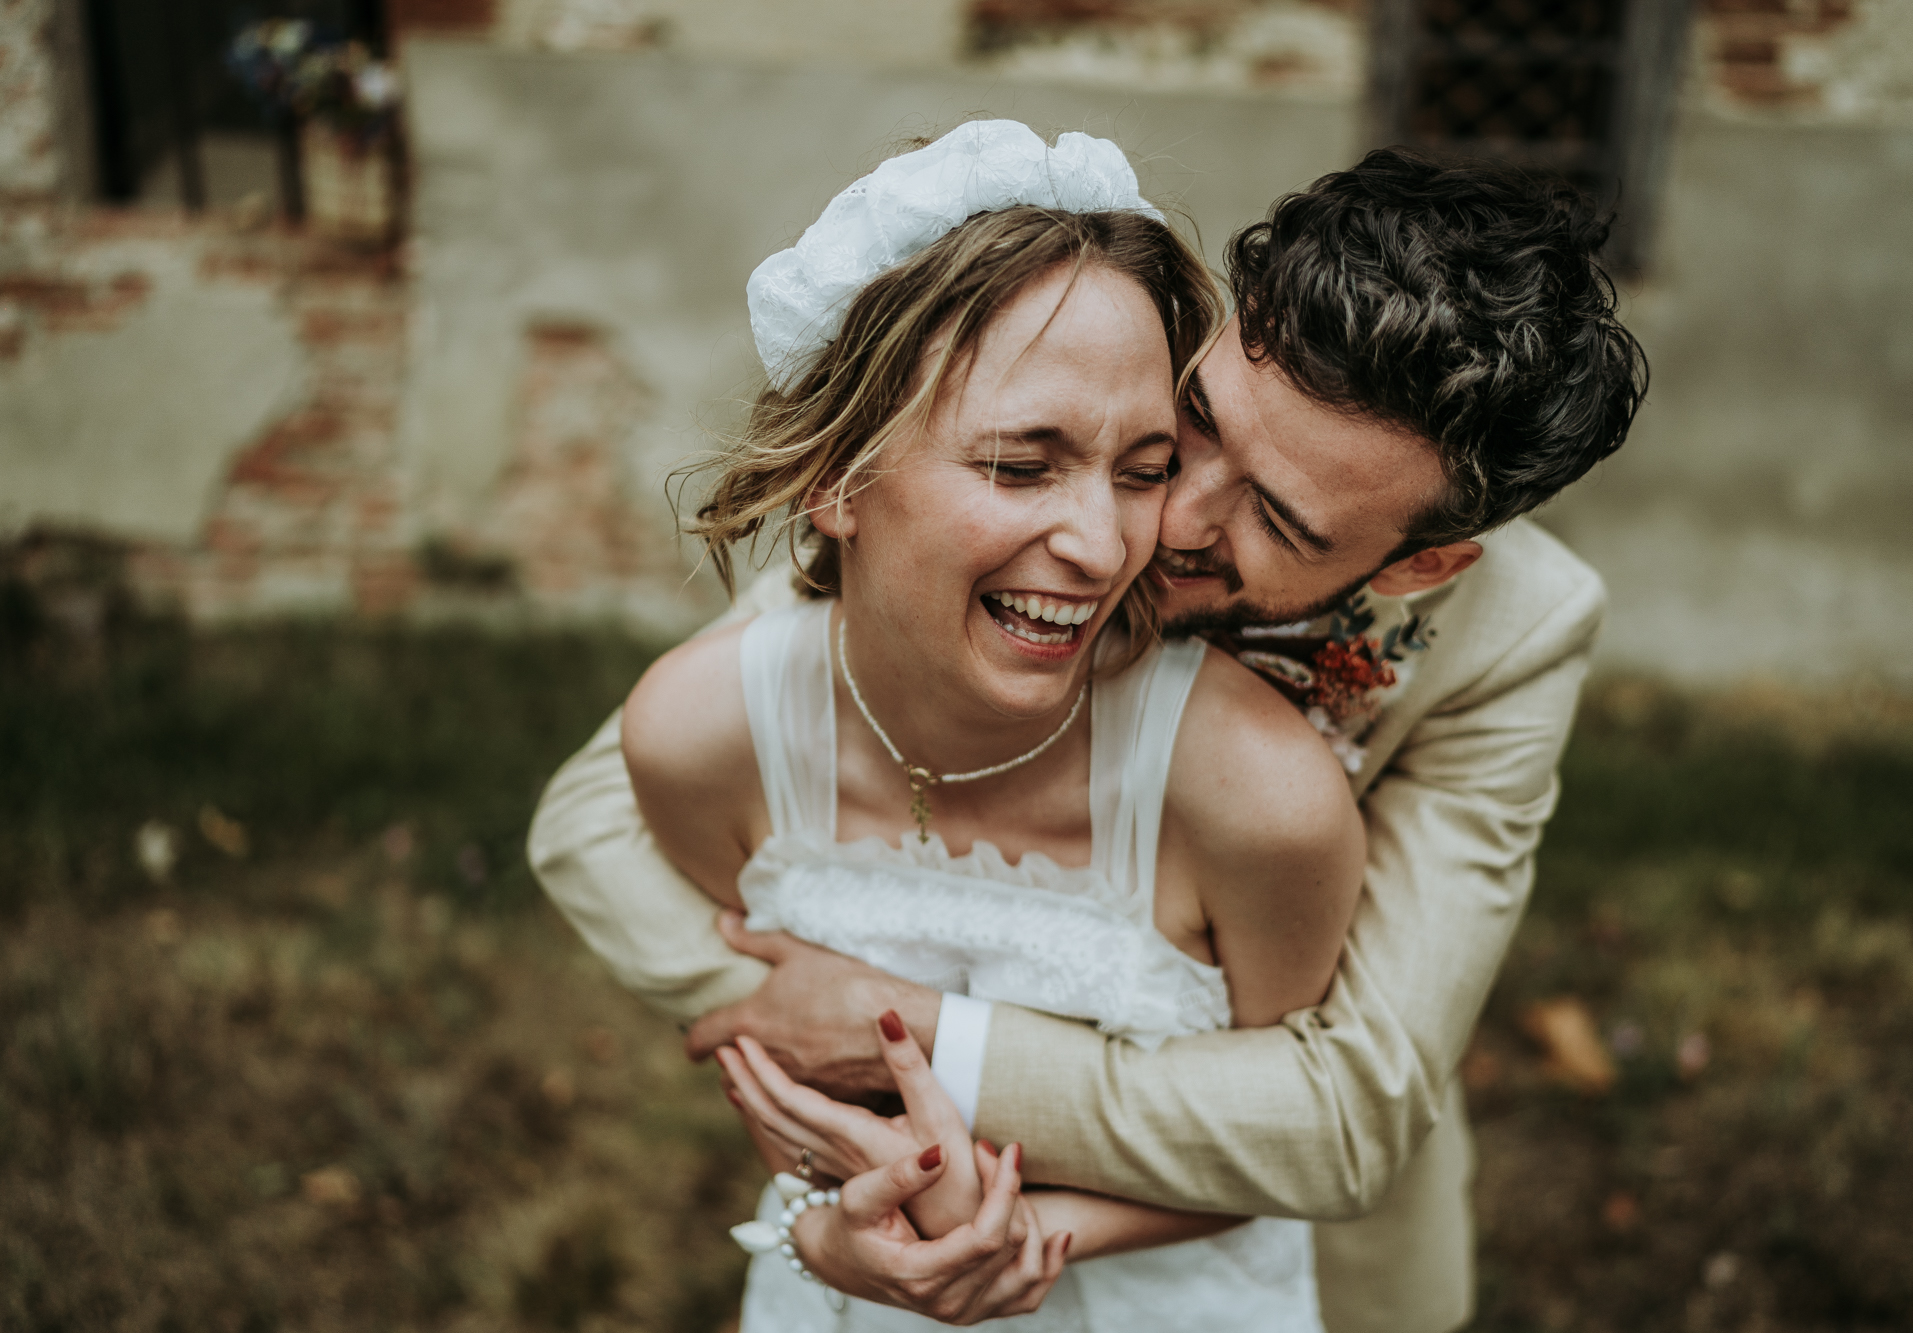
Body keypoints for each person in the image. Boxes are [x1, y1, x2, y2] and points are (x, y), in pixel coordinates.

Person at [532, 138, 1647, 1331]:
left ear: (1421, 565)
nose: (1161, 522)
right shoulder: (1059, 436)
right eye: (1196, 424)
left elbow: (1343, 1115)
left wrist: (914, 1042)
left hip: (1266, 1224)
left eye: (1276, 521)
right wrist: (807, 1051)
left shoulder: (1515, 632)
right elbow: (602, 811)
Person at [614, 119, 1365, 1330]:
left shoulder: (1255, 798)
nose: (1102, 546)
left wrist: (998, 1235)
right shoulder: (699, 738)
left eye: (1141, 469)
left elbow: (1272, 1150)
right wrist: (824, 1226)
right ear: (837, 475)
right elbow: (780, 1069)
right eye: (1022, 465)